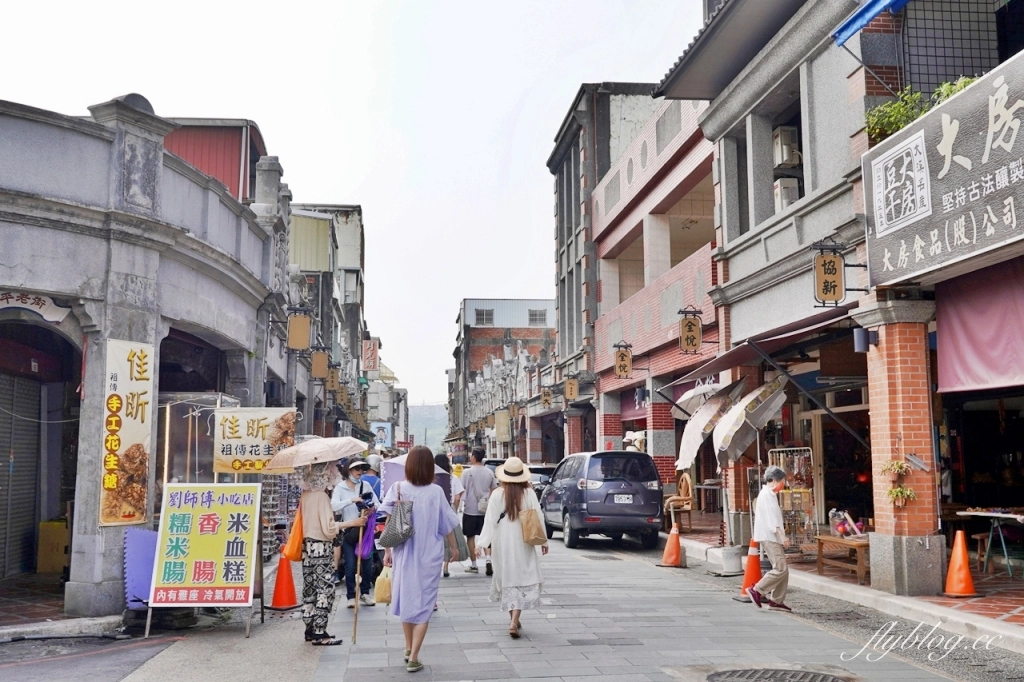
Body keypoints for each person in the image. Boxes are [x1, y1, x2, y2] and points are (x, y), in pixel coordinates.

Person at [380, 446, 460, 673]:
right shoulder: (436, 492)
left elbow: (388, 524)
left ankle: (408, 648)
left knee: (406, 599)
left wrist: (387, 551)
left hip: (404, 554)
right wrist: (453, 547)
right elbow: (448, 523)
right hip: (429, 556)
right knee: (424, 604)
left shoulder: (397, 488)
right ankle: (414, 656)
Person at [476, 457, 549, 639]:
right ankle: (514, 620)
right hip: (524, 538)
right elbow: (538, 516)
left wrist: (482, 543)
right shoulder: (529, 493)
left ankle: (513, 620)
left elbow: (490, 521)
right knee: (522, 574)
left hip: (503, 539)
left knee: (507, 575)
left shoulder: (498, 494)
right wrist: (544, 541)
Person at [298, 462, 366, 646]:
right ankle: (320, 632)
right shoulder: (321, 496)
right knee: (325, 589)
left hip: (307, 547)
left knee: (310, 589)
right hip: (321, 546)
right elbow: (329, 529)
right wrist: (352, 523)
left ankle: (310, 629)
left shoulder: (306, 494)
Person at [332, 459, 380, 608]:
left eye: (361, 469)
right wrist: (351, 500)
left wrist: (372, 508)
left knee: (367, 563)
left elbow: (377, 503)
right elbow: (333, 506)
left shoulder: (365, 485)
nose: (359, 471)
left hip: (365, 532)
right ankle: (351, 596)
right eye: (356, 469)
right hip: (348, 531)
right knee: (351, 565)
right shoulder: (340, 487)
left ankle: (365, 593)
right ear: (348, 471)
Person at [748, 466, 791, 612]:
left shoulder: (769, 495)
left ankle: (776, 600)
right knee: (780, 568)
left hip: (771, 536)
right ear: (773, 480)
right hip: (770, 536)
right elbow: (772, 520)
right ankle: (757, 590)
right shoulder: (766, 495)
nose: (782, 485)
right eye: (781, 481)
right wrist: (782, 536)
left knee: (782, 569)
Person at [460, 447, 497, 575]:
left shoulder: (467, 473)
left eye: (471, 455)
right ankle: (488, 560)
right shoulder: (489, 472)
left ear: (474, 457)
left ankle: (474, 565)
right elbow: (493, 489)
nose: (470, 457)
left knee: (470, 537)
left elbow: (462, 489)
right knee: (486, 535)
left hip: (470, 510)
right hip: (485, 510)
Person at [435, 453, 465, 578]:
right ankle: (446, 566)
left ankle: (436, 564)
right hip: (449, 509)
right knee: (449, 538)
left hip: (435, 510)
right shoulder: (453, 478)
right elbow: (458, 497)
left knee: (438, 538)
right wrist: (455, 510)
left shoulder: (432, 478)